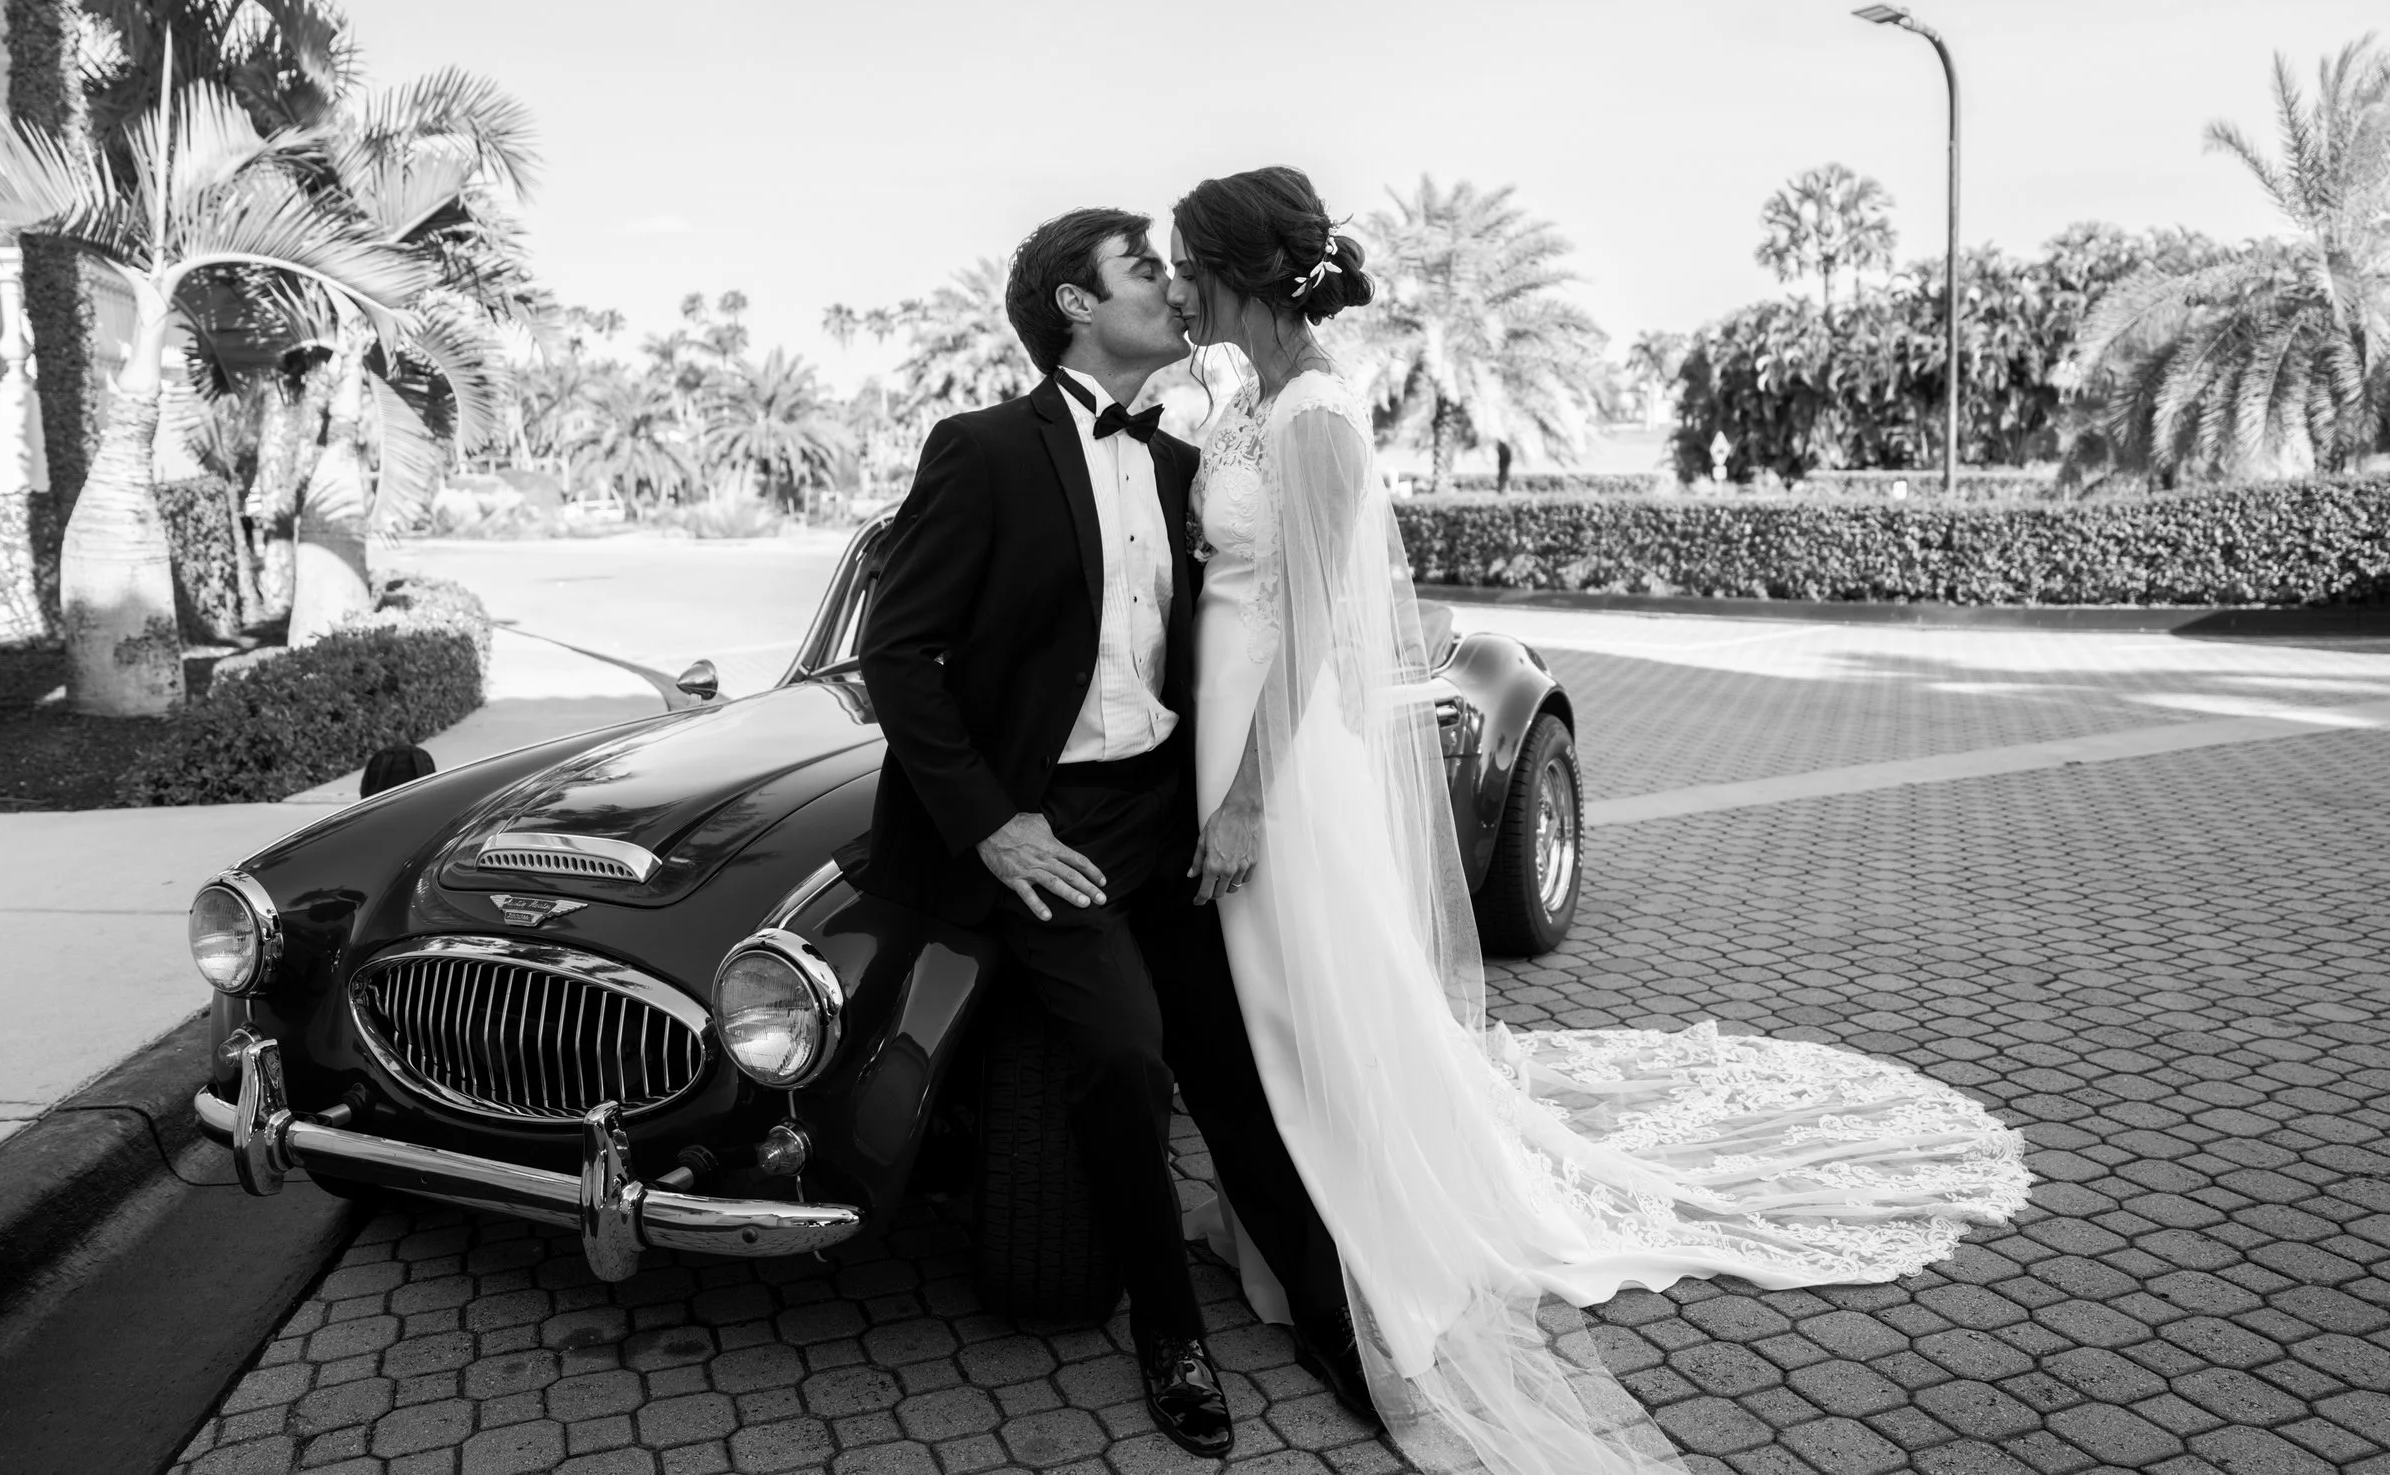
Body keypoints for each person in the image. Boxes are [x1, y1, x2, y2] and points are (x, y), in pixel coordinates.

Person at [1168, 166, 2035, 1475]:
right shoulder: (1246, 401)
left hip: (1277, 765)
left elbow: (1308, 641)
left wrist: (1242, 797)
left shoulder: (1316, 420)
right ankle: (1272, 1222)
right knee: (1262, 1001)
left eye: (1187, 263)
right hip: (1231, 730)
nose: (1175, 284)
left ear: (1238, 274)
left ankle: (1364, 1242)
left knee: (1310, 998)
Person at [851, 206, 1367, 1457]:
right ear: (1075, 305)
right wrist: (993, 824)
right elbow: (897, 655)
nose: (1172, 287)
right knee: (1131, 1058)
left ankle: (1323, 1312)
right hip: (1053, 826)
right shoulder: (978, 449)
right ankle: (1170, 1335)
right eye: (1144, 268)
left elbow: (1241, 629)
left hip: (1164, 805)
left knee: (1232, 1060)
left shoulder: (1190, 462)